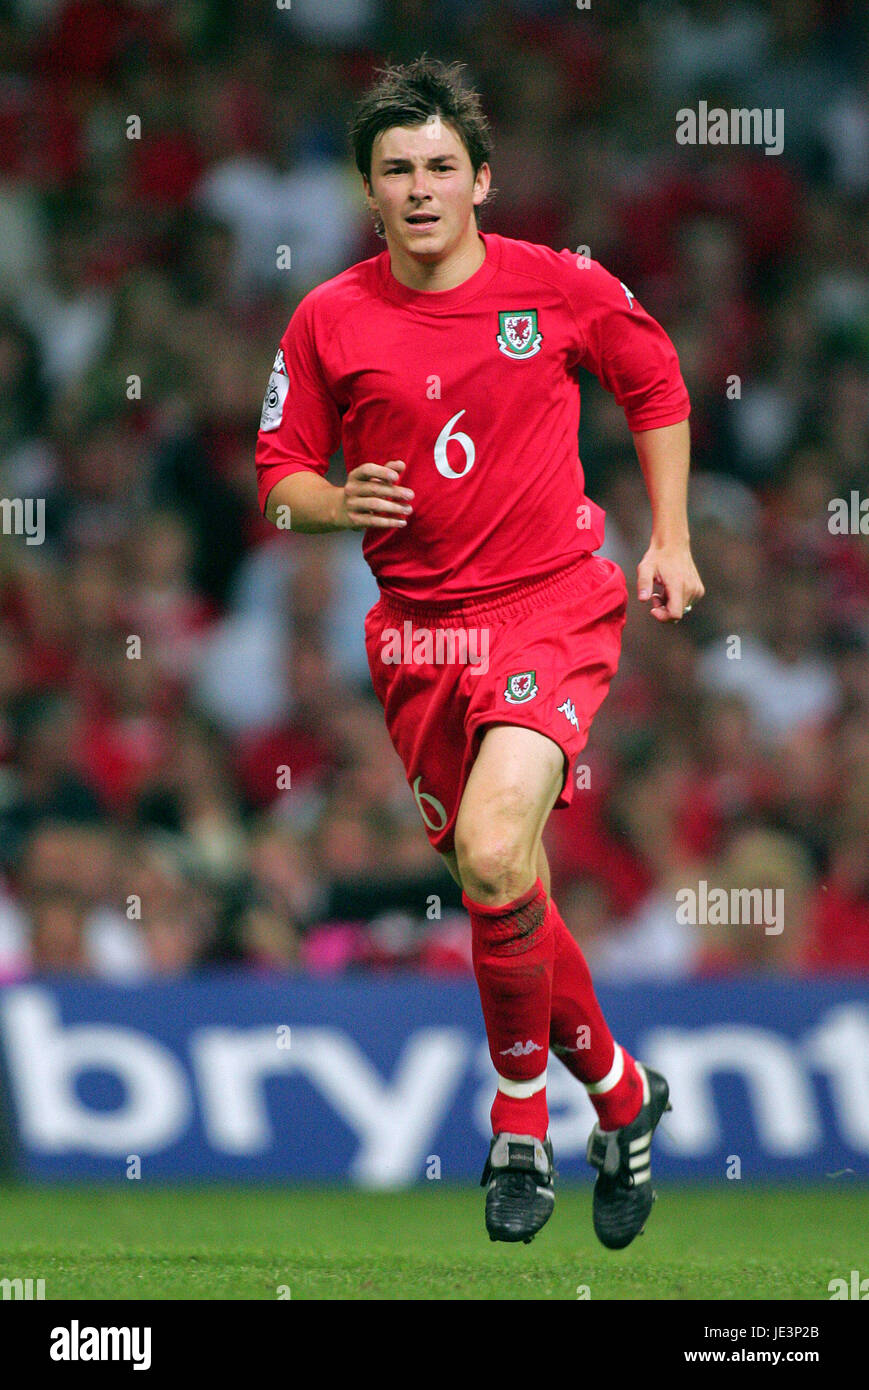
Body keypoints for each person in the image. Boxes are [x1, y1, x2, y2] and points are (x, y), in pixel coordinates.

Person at [255, 57, 704, 1247]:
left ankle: (519, 1121)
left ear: (481, 180)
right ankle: (619, 1090)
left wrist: (667, 535)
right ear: (366, 191)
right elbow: (278, 481)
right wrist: (335, 501)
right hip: (415, 637)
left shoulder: (554, 286)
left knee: (495, 846)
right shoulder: (328, 317)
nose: (418, 188)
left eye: (439, 167)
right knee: (500, 882)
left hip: (548, 602)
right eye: (395, 170)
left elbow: (653, 381)